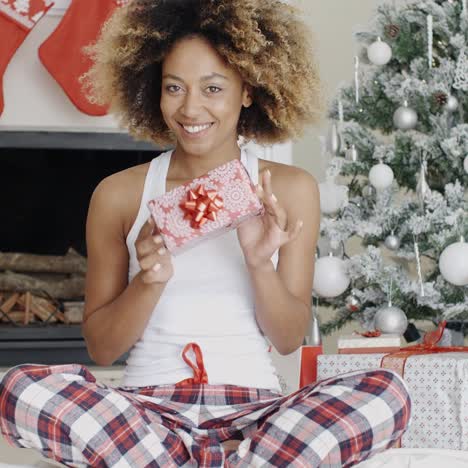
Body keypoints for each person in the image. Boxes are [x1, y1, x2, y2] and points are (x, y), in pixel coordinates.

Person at [0, 1, 411, 466]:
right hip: (147, 412)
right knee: (21, 390)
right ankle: (222, 459)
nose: (190, 108)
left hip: (255, 414)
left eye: (213, 88)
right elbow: (103, 346)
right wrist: (148, 280)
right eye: (174, 87)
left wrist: (260, 264)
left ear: (248, 92)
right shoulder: (118, 195)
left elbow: (288, 339)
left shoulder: (289, 190)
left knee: (386, 392)